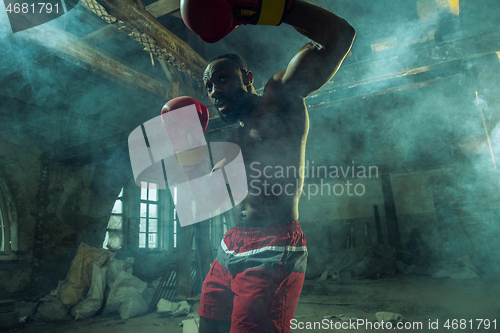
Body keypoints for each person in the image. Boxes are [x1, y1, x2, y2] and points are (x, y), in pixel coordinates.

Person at [181, 1, 355, 332]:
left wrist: (266, 8)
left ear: (247, 78)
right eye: (209, 86)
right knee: (209, 327)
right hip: (229, 245)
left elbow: (340, 36)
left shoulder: (281, 98)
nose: (215, 91)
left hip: (274, 245)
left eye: (222, 79)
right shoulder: (232, 140)